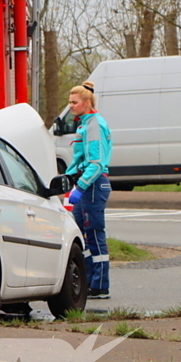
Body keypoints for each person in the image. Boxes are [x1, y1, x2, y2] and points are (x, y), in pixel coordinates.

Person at [65, 80, 113, 299]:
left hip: (93, 185)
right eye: (70, 102)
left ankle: (100, 285)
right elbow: (80, 159)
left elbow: (96, 162)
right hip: (85, 184)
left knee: (93, 234)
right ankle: (88, 281)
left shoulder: (93, 124)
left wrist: (81, 186)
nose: (71, 106)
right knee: (82, 236)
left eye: (74, 102)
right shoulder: (85, 123)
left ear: (86, 102)